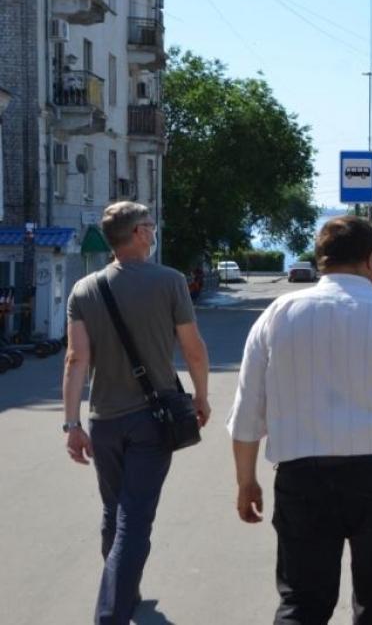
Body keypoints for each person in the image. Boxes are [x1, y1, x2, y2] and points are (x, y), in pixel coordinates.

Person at [227, 216, 372, 625]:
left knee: (302, 603)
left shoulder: (276, 316)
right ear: (371, 259)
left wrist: (246, 481)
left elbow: (247, 415)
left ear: (321, 260)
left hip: (302, 480)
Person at [62, 201, 212, 625]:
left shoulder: (84, 289)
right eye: (150, 224)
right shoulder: (170, 282)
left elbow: (76, 359)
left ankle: (124, 588)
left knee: (115, 511)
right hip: (152, 420)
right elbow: (192, 349)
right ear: (139, 234)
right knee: (135, 518)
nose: (153, 230)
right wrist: (201, 396)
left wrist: (72, 424)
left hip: (104, 421)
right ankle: (110, 613)